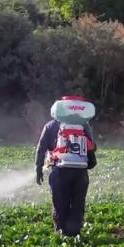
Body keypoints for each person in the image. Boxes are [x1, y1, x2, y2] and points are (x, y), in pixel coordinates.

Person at [35, 96, 98, 237]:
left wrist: (38, 168)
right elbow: (91, 151)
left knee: (59, 202)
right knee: (77, 203)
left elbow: (41, 149)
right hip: (80, 173)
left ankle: (61, 233)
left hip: (59, 171)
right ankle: (74, 233)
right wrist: (89, 163)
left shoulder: (50, 126)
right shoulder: (84, 126)